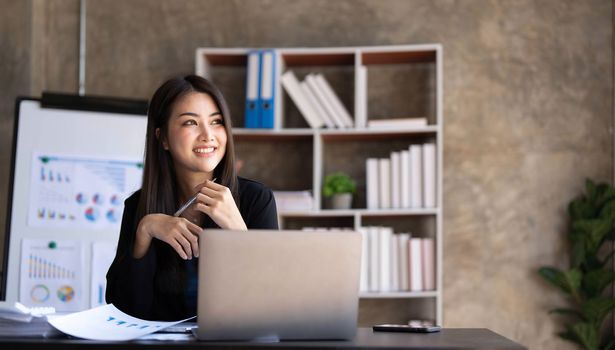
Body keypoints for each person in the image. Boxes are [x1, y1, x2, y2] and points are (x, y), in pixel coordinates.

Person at [106, 75, 278, 321]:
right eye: (190, 123)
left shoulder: (256, 199)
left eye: (216, 122)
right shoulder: (139, 206)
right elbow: (123, 310)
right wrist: (144, 232)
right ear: (163, 138)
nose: (208, 135)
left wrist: (239, 231)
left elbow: (274, 303)